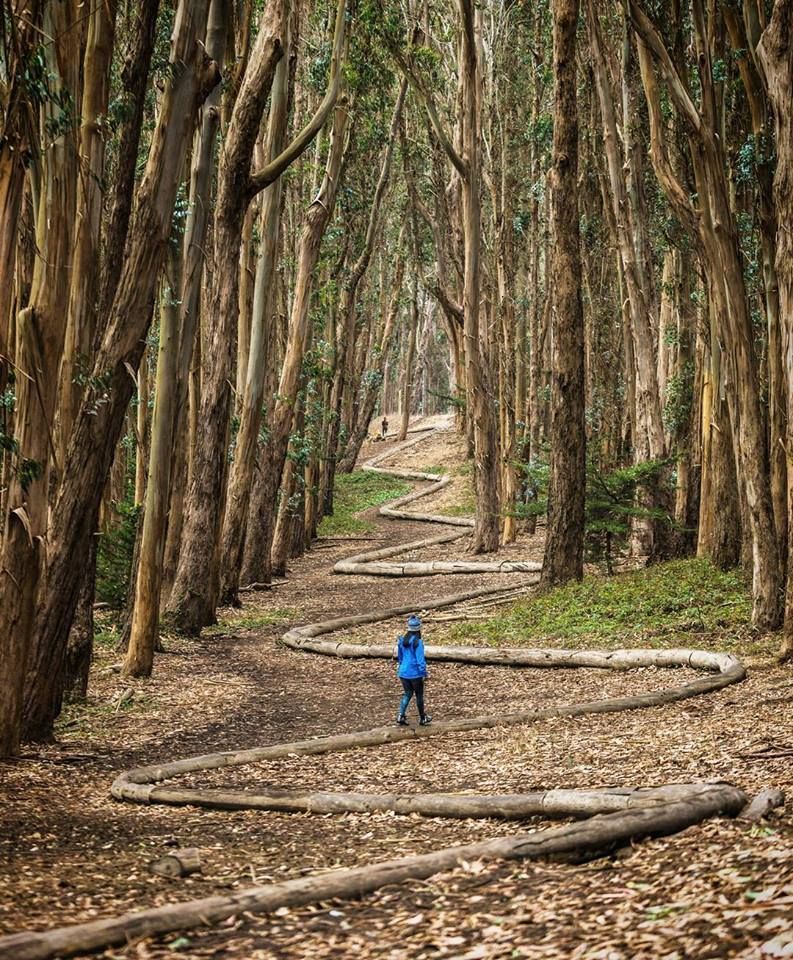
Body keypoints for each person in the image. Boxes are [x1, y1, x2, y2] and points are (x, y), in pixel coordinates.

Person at [395, 614, 432, 726]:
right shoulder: (418, 642)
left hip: (403, 673)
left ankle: (400, 715)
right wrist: (424, 673)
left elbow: (400, 657)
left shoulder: (402, 640)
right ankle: (422, 718)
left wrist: (400, 667)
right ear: (419, 629)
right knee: (419, 695)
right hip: (415, 673)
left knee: (407, 693)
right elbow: (420, 660)